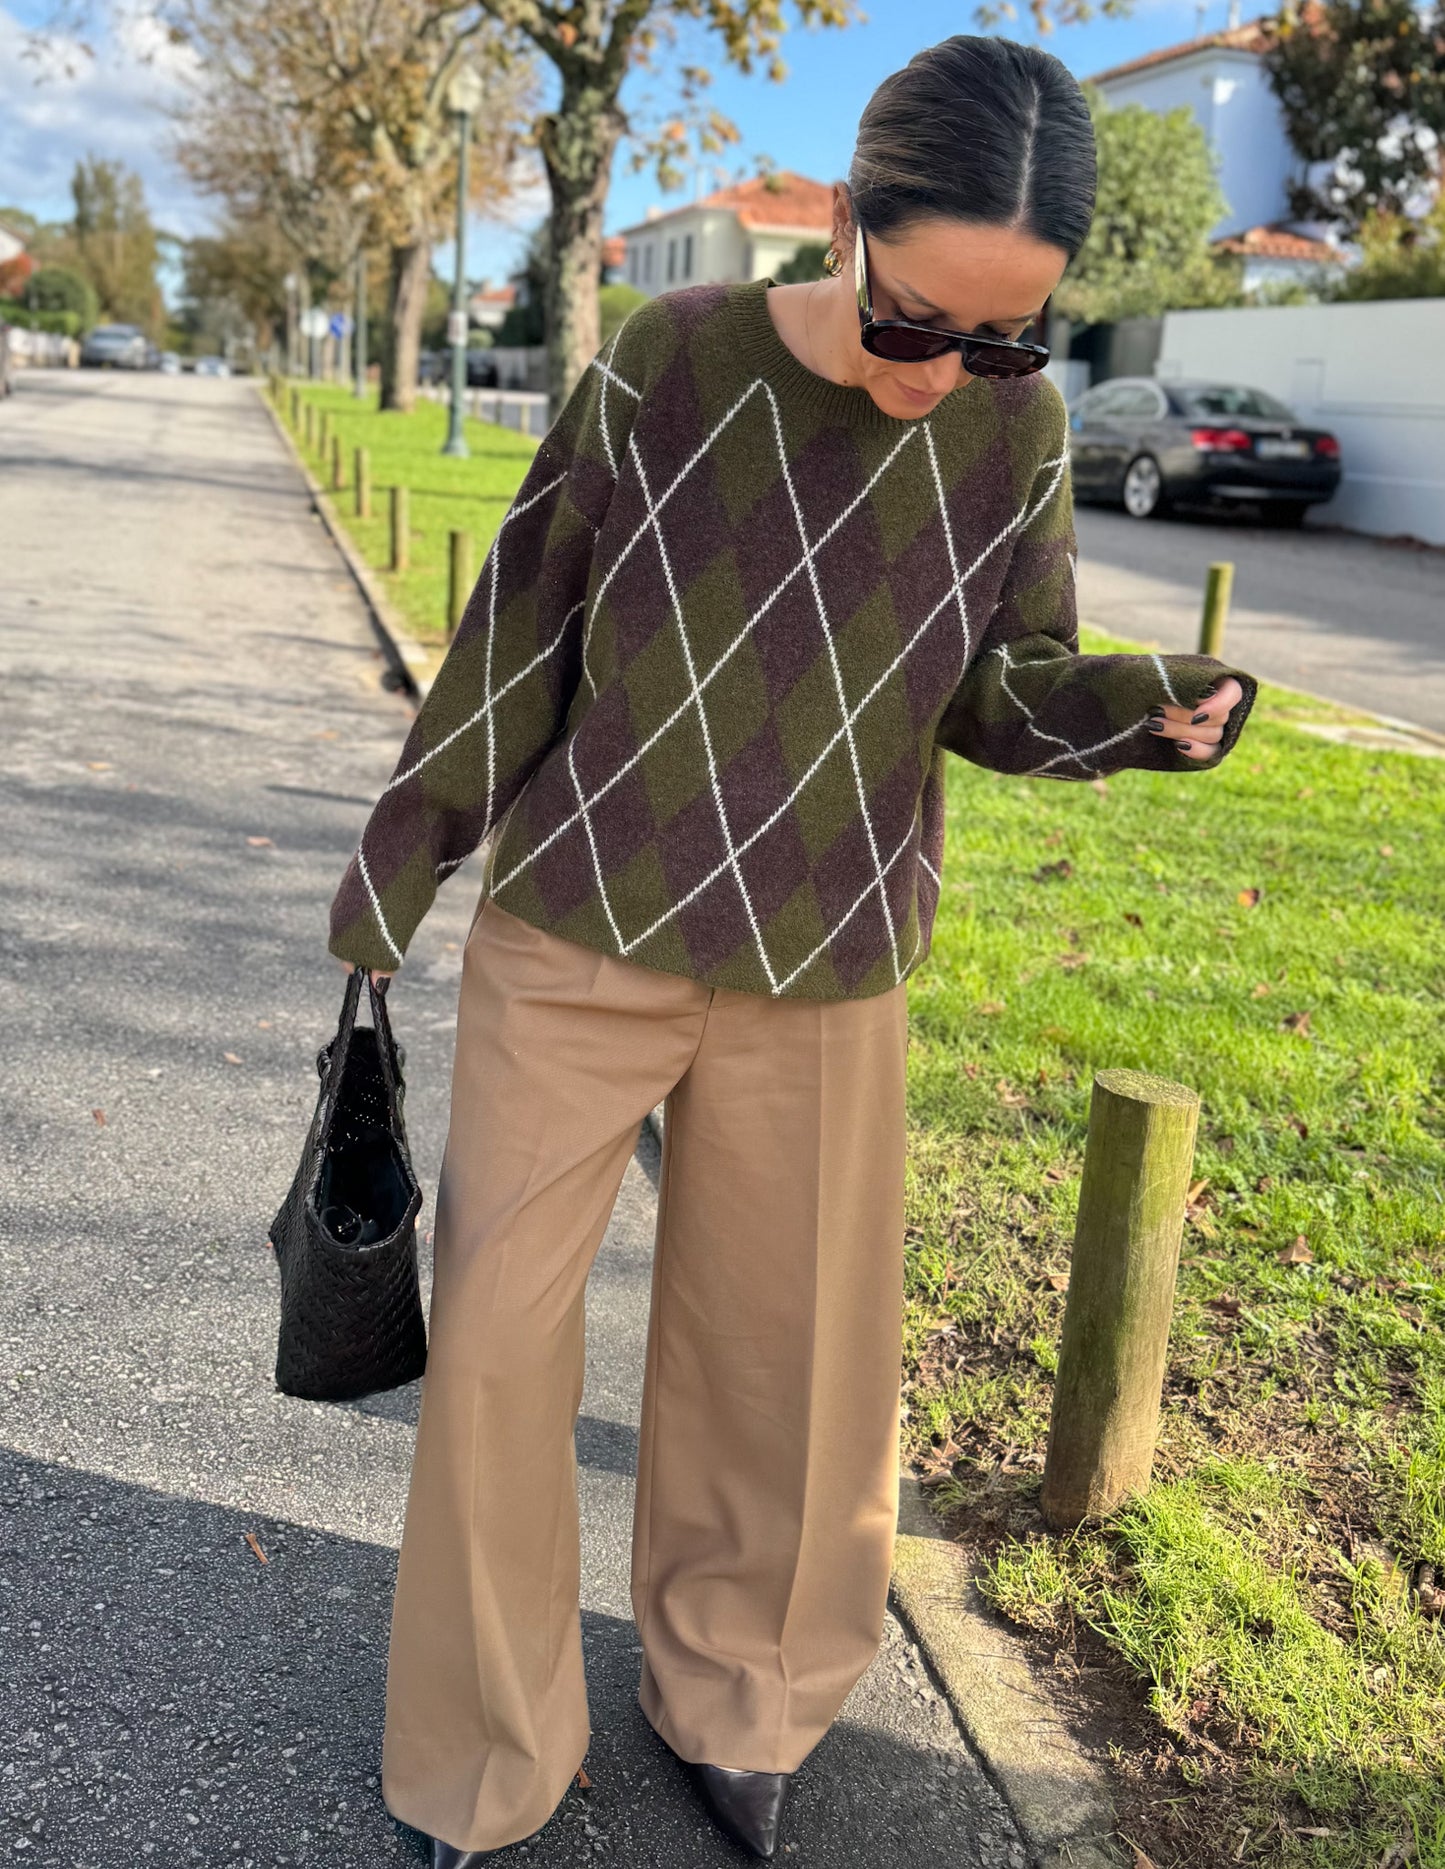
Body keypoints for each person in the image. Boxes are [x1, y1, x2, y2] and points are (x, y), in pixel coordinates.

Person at [328, 33, 1256, 1865]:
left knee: (792, 1366)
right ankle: (485, 1752)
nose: (949, 377)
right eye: (918, 323)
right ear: (842, 221)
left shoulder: (1020, 430)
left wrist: (1134, 712)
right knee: (501, 1346)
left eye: (1003, 339)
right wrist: (394, 875)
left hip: (829, 957)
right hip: (579, 930)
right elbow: (520, 630)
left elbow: (993, 686)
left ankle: (743, 1700)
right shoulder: (669, 366)